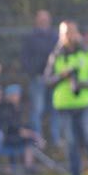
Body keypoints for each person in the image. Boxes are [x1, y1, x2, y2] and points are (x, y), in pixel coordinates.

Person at [44, 20, 88, 175]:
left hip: (85, 103)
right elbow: (47, 80)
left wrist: (80, 84)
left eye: (70, 32)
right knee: (71, 143)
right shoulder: (56, 55)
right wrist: (62, 76)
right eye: (64, 33)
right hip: (64, 105)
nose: (67, 36)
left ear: (76, 33)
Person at [21, 10, 59, 147]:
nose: (43, 21)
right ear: (36, 20)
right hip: (37, 78)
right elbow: (24, 58)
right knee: (37, 110)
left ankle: (56, 141)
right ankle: (38, 140)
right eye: (41, 18)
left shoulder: (55, 37)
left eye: (46, 18)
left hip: (54, 80)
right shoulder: (31, 37)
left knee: (56, 109)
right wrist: (32, 71)